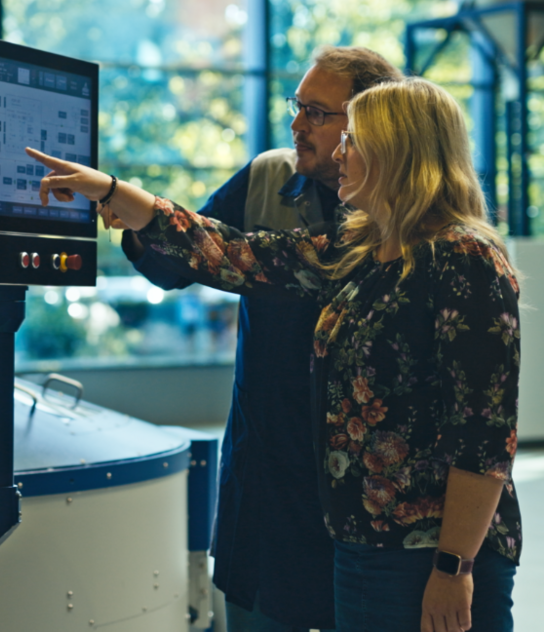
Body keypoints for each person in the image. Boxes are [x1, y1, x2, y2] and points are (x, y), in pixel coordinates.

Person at [25, 76, 521, 632]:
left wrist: (453, 568)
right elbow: (232, 252)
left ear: (396, 152)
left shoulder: (465, 260)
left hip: (427, 552)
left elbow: (483, 436)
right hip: (361, 545)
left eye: (352, 138)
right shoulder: (360, 250)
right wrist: (112, 190)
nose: (339, 152)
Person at [108, 45, 402, 632]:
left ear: (371, 124)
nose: (298, 124)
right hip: (267, 476)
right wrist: (136, 221)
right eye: (297, 106)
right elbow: (181, 262)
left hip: (363, 491)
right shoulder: (271, 177)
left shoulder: (405, 223)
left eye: (318, 113)